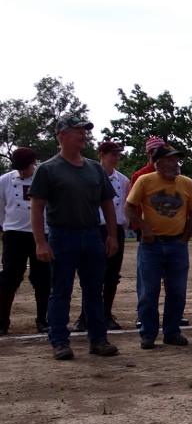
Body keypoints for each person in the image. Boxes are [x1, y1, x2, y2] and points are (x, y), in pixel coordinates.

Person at [29, 114, 120, 360]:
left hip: (92, 234)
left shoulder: (94, 169)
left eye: (84, 131)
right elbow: (37, 207)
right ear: (61, 135)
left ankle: (98, 340)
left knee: (94, 289)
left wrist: (112, 235)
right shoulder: (47, 169)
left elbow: (107, 204)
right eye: (77, 130)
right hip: (62, 235)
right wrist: (40, 241)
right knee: (61, 290)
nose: (83, 135)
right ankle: (59, 341)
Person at [126, 145, 192, 349]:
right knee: (148, 291)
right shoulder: (145, 181)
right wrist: (143, 228)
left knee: (177, 291)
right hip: (151, 245)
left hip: (177, 244)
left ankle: (172, 332)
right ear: (157, 163)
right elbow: (129, 207)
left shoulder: (186, 183)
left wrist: (185, 237)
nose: (175, 164)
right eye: (170, 160)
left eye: (176, 160)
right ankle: (148, 334)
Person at [74, 141, 130, 332]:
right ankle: (86, 315)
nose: (116, 158)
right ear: (102, 155)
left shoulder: (122, 180)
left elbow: (123, 206)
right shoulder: (89, 176)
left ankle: (106, 313)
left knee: (112, 275)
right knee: (91, 274)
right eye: (112, 154)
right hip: (93, 227)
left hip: (115, 228)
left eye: (118, 155)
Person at [0, 148, 50, 335]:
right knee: (9, 278)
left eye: (25, 168)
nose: (22, 172)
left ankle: (43, 320)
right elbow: (1, 207)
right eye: (19, 168)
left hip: (42, 233)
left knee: (43, 278)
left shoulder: (44, 177)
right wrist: (6, 225)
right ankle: (2, 320)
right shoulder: (5, 181)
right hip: (14, 233)